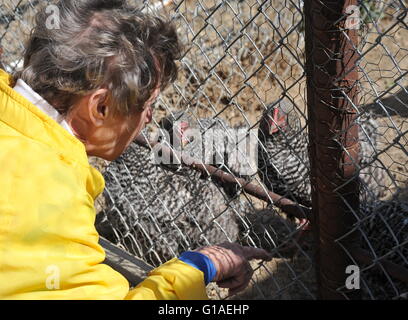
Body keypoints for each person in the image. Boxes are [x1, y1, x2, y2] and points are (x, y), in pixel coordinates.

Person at [0, 0, 271, 300]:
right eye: (147, 105)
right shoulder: (52, 203)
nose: (150, 117)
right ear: (100, 107)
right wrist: (200, 265)